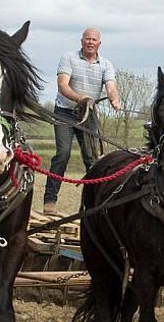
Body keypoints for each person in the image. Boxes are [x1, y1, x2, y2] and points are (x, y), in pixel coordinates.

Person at [43, 27, 122, 216]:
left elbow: (111, 86)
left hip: (89, 115)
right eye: (87, 39)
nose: (90, 42)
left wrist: (114, 98)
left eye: (94, 40)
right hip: (65, 112)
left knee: (92, 159)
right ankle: (50, 200)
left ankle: (92, 203)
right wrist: (80, 98)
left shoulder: (106, 64)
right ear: (81, 41)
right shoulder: (69, 58)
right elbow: (62, 84)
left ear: (99, 43)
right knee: (63, 153)